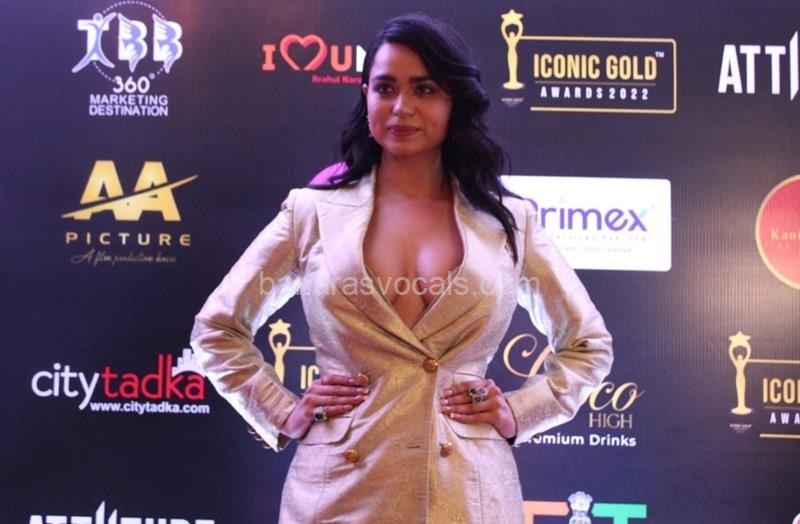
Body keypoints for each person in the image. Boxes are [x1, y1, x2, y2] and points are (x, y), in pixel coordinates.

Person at [190, 13, 612, 524]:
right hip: (337, 495)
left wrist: (521, 411)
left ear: (454, 101)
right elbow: (217, 329)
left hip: (468, 497)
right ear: (365, 94)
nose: (401, 107)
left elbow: (587, 345)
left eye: (424, 89)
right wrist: (280, 410)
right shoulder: (312, 213)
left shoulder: (509, 222)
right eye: (385, 87)